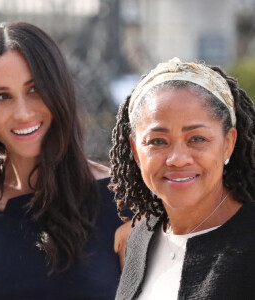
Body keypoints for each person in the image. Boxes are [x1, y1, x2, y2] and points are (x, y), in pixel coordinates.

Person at [0, 22, 130, 300]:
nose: (23, 113)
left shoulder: (121, 200)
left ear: (58, 90)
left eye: (34, 89)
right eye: (2, 97)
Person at [109, 57, 255, 300]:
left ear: (228, 144)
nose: (177, 159)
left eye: (197, 139)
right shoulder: (140, 240)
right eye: (157, 141)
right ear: (136, 151)